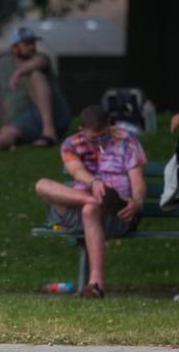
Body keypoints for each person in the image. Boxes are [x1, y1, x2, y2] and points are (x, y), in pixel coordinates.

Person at [34, 105, 147, 298]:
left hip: (117, 215)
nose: (100, 141)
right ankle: (92, 200)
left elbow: (137, 180)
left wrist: (136, 202)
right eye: (94, 138)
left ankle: (96, 284)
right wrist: (94, 184)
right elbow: (76, 171)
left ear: (109, 126)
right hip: (78, 210)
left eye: (104, 135)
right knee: (42, 185)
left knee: (90, 210)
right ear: (81, 130)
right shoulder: (71, 145)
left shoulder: (126, 140)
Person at [0, 26, 71, 153]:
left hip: (56, 113)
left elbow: (40, 62)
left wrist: (19, 73)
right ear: (14, 47)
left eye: (33, 43)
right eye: (27, 43)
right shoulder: (3, 65)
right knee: (10, 132)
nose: (32, 46)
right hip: (27, 118)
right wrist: (5, 124)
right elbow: (5, 98)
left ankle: (49, 132)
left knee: (35, 74)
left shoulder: (40, 58)